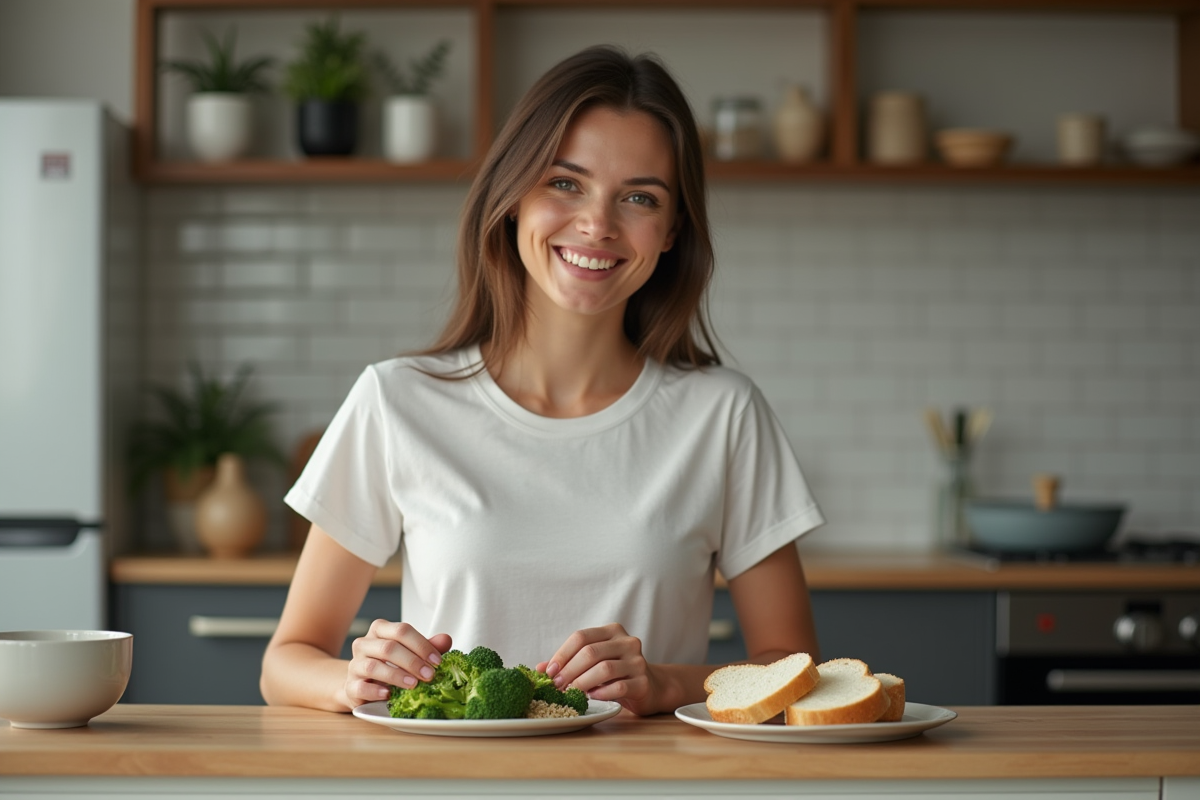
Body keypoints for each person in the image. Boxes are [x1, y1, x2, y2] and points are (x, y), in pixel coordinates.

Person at [261, 45, 824, 717]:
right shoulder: (396, 400)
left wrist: (668, 684)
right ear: (513, 194)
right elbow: (286, 660)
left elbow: (790, 668)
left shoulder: (723, 414)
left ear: (672, 229)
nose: (597, 224)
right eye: (565, 182)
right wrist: (354, 680)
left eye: (639, 197)